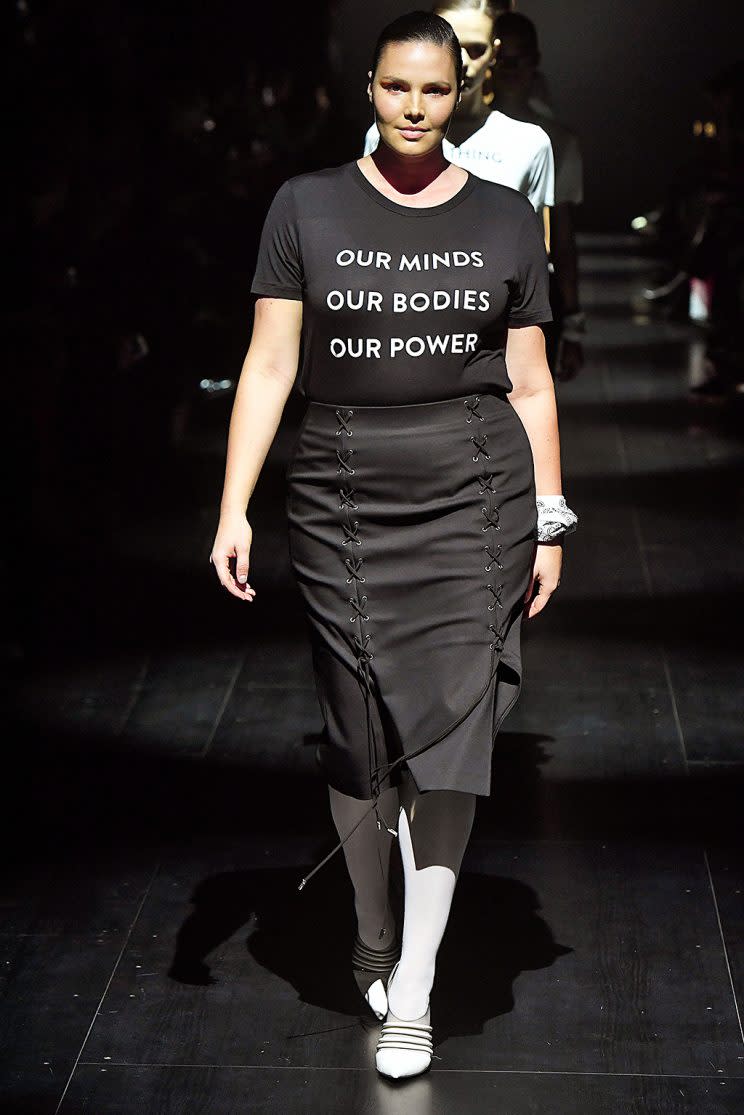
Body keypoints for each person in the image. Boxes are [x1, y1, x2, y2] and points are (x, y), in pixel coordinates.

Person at [210, 9, 577, 1082]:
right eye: (396, 89)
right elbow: (270, 364)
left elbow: (532, 379)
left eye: (435, 90)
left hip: (474, 489)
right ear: (367, 91)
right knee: (359, 736)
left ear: (460, 91)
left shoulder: (508, 216)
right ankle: (371, 920)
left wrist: (549, 515)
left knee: (456, 733)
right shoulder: (305, 206)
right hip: (340, 491)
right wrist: (233, 505)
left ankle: (415, 975)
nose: (415, 109)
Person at [361, 0, 555, 218]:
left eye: (476, 50)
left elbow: (535, 244)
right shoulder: (388, 134)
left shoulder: (529, 143)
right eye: (452, 47)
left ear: (494, 52)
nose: (462, 61)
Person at [492, 10, 586, 380]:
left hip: (528, 298)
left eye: (520, 58)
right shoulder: (453, 134)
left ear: (535, 61)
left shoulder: (558, 141)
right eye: (503, 58)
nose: (510, 68)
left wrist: (574, 321)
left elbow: (562, 236)